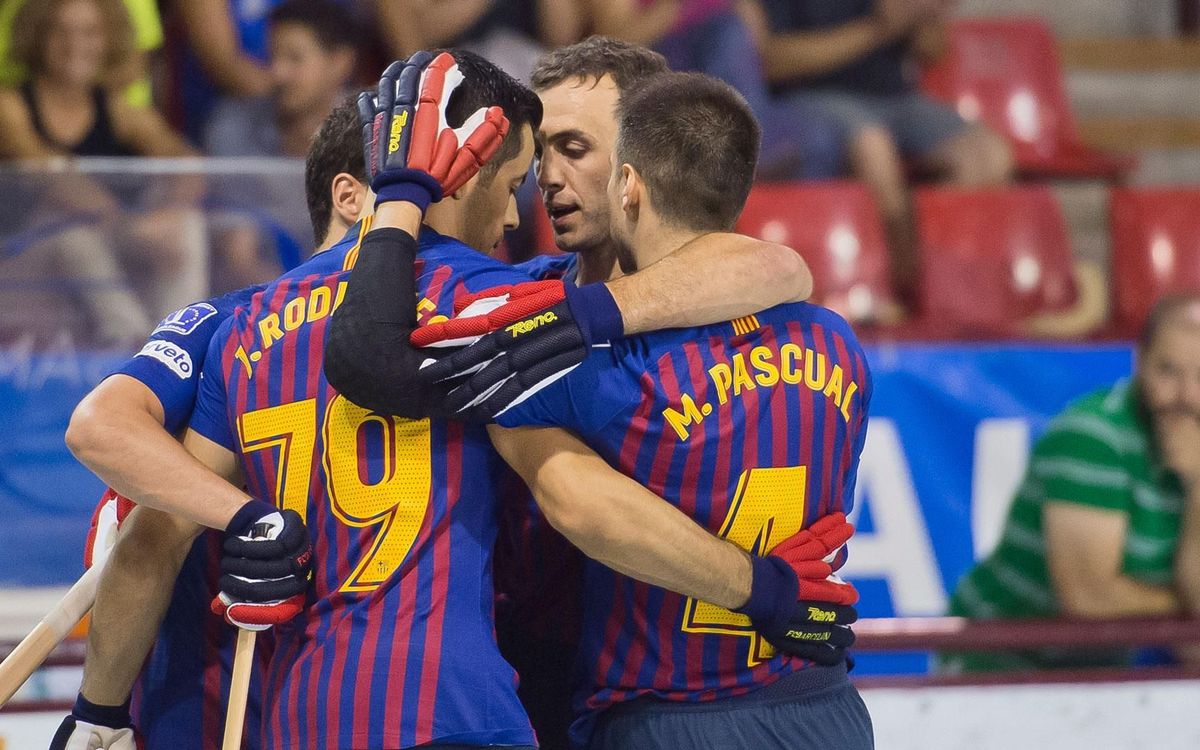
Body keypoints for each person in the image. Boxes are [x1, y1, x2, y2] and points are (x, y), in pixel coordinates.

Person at [66, 49, 831, 749]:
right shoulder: (498, 302)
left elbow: (144, 530)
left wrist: (98, 716)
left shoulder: (244, 326)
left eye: (575, 151)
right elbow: (774, 270)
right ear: (454, 174)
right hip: (468, 703)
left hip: (300, 712)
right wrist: (759, 589)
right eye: (514, 182)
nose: (514, 218)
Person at [404, 70, 873, 750]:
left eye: (576, 148)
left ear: (629, 182)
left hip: (662, 713)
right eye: (539, 158)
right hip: (818, 701)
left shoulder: (597, 364)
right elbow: (778, 271)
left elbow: (576, 498)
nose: (548, 179)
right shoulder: (837, 342)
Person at [49, 95, 370, 750]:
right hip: (214, 691)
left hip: (357, 690)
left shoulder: (445, 325)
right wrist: (249, 516)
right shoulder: (230, 319)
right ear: (350, 197)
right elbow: (101, 426)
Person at [946, 293, 1200, 672]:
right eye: (1168, 371)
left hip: (1099, 670)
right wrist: (1185, 603)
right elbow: (1090, 600)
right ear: (1139, 362)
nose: (1187, 396)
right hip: (997, 663)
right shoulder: (1093, 436)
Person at [741, 0, 1014, 306]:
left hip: (898, 99)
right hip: (812, 99)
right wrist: (877, 29)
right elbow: (770, 62)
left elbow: (931, 51)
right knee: (874, 147)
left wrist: (925, 19)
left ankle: (953, 282)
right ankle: (905, 289)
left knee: (989, 154)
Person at [0, 0, 207, 329]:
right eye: (60, 31)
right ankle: (132, 344)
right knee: (74, 235)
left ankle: (178, 340)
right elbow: (51, 175)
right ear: (37, 34)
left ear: (108, 39)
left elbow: (185, 158)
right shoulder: (10, 105)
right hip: (19, 266)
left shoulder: (115, 108)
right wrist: (128, 227)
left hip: (107, 250)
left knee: (186, 226)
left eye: (90, 32)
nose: (75, 44)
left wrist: (170, 213)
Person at [588, 4, 841, 179]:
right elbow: (612, 47)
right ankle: (740, 151)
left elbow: (762, 56)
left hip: (744, 102)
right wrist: (672, 7)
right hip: (671, 103)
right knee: (723, 31)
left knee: (821, 136)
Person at [204, 0, 359, 157]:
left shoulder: (373, 135)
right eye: (271, 56)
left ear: (340, 63)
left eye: (294, 58)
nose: (277, 72)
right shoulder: (234, 127)